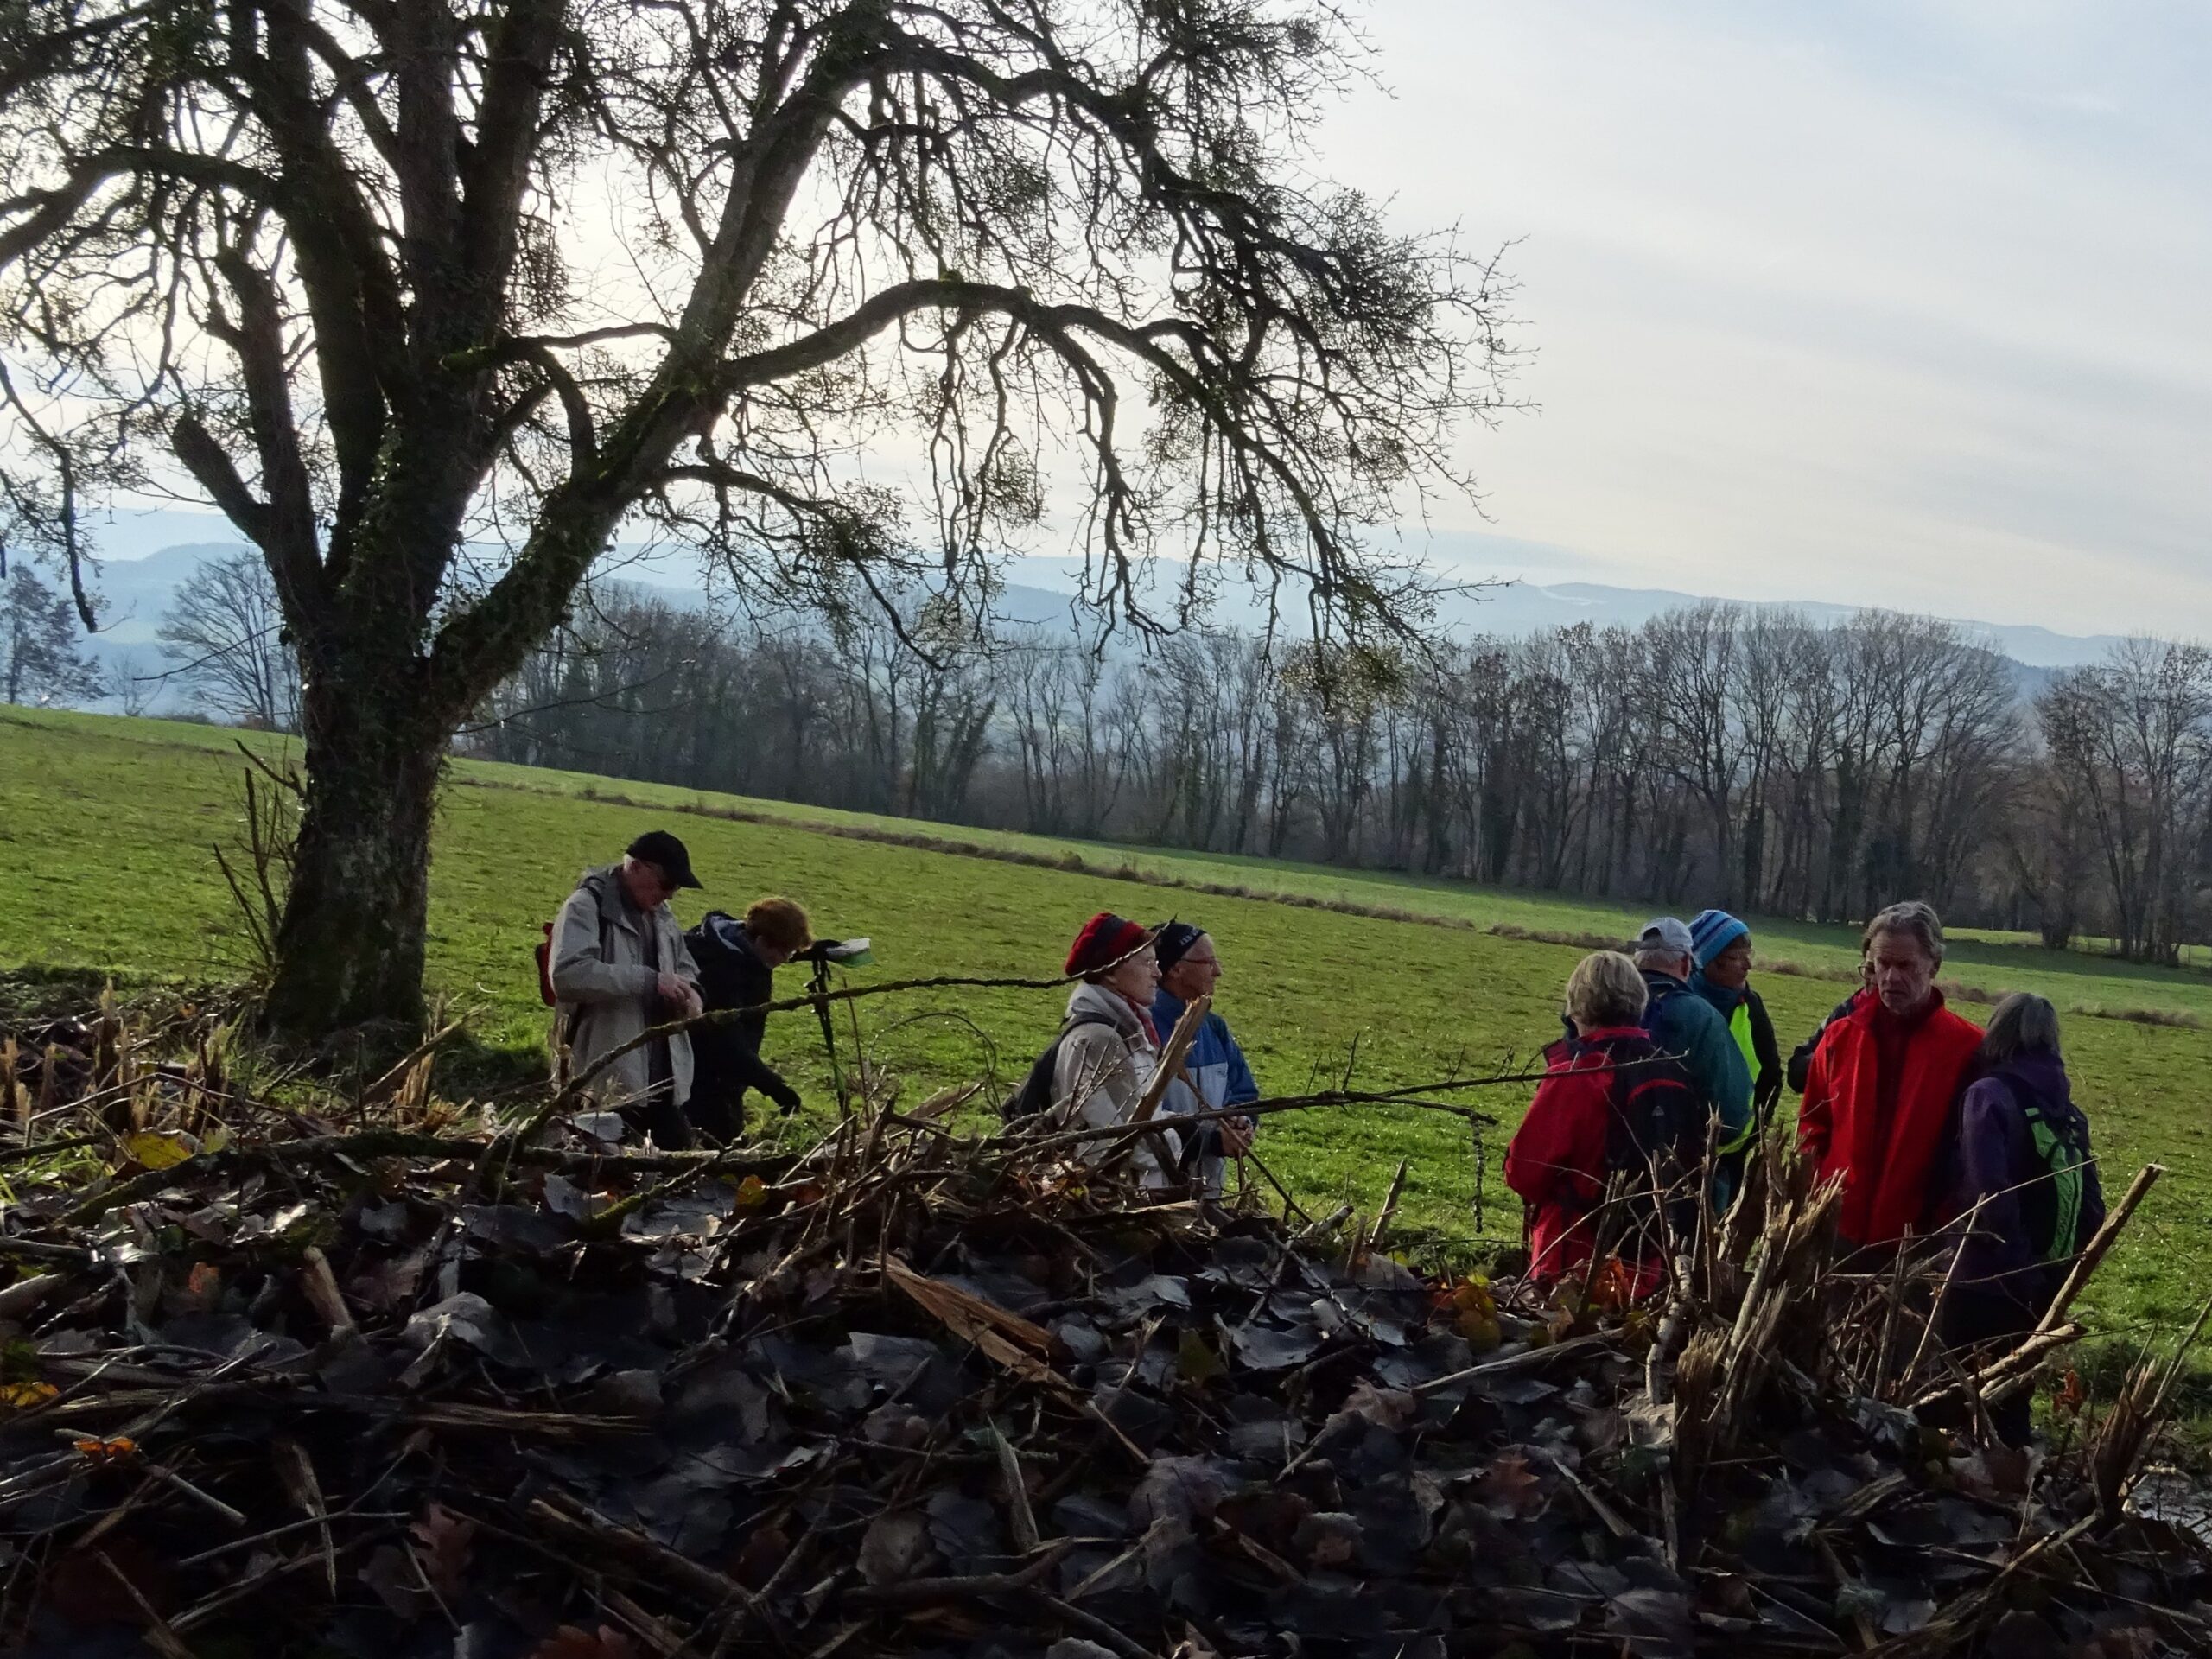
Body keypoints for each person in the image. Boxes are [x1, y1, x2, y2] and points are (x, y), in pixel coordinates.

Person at [1942, 993, 2105, 1445]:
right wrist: (2058, 1271)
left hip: (1984, 1276)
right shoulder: (2066, 1108)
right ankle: (2015, 1478)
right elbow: (2092, 1203)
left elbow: (1989, 1193)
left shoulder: (1987, 1095)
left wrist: (2015, 1266)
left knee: (1954, 1398)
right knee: (2012, 1401)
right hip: (2044, 1278)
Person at [1504, 951, 1701, 1288]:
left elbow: (1524, 1174)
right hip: (1650, 1259)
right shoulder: (1672, 1071)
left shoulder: (1577, 1076)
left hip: (1574, 1261)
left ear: (1577, 1008)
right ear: (1639, 1002)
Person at [1798, 900, 1983, 1250]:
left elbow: (1975, 1152)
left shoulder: (1969, 1050)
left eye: (1905, 965)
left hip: (1920, 1242)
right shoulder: (1840, 1037)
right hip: (1835, 1230)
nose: (1891, 977)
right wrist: (1818, 1192)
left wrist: (1946, 1220)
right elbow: (1812, 1125)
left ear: (1934, 966)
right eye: (1882, 964)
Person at [550, 830, 705, 1147]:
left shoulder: (662, 915)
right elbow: (568, 975)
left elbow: (685, 966)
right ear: (635, 867)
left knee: (678, 1164)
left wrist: (692, 995)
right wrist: (649, 981)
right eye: (666, 884)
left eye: (675, 888)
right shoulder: (585, 906)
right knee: (599, 1170)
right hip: (604, 1084)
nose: (670, 895)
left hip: (664, 1087)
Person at [1052, 912, 1181, 1191]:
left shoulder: (1129, 1030)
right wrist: (1181, 1137)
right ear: (1110, 971)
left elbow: (1139, 1116)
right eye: (1147, 962)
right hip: (1110, 1197)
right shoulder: (1099, 1039)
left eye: (1156, 963)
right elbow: (1126, 1143)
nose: (1158, 973)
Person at [1631, 918, 1753, 1190]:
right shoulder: (1702, 1018)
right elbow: (1732, 1114)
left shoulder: (1601, 1003)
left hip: (1595, 1173)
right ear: (1687, 963)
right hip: (1676, 1180)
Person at [686, 896, 812, 1143]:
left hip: (728, 1079)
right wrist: (775, 1087)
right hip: (705, 1082)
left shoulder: (745, 948)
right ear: (762, 941)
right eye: (784, 952)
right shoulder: (719, 970)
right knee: (715, 1148)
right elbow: (727, 1044)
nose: (786, 960)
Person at [1149, 921, 1259, 1198]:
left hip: (1208, 1192)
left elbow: (1245, 1094)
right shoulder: (1144, 1027)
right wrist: (1210, 1141)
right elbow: (1139, 1120)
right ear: (1175, 969)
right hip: (1151, 1192)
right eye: (1208, 962)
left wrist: (1240, 1123)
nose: (1218, 971)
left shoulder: (1214, 1028)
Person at [1687, 909, 1783, 1128]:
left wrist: (1754, 1132)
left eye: (1749, 955)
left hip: (1737, 1143)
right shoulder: (1682, 1007)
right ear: (1708, 960)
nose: (1748, 965)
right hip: (1684, 1141)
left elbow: (1771, 1075)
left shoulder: (1751, 1004)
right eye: (1737, 957)